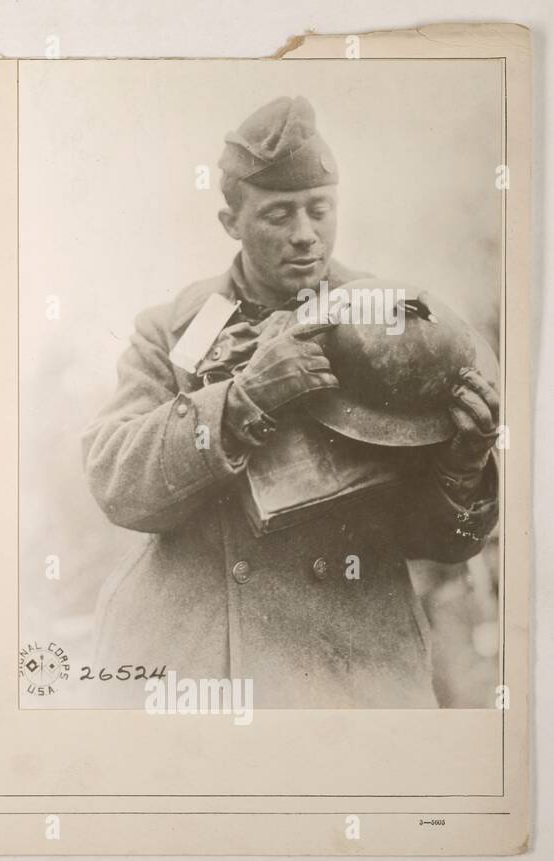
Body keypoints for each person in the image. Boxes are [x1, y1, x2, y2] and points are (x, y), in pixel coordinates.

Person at [82, 96, 500, 707]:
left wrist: (463, 469)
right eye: (279, 215)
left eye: (320, 209)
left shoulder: (399, 325)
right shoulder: (172, 330)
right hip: (201, 667)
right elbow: (115, 481)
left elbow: (440, 542)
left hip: (352, 668)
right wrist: (241, 400)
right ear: (231, 221)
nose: (306, 235)